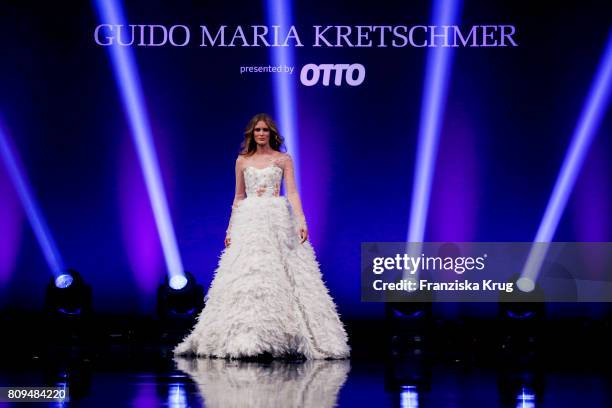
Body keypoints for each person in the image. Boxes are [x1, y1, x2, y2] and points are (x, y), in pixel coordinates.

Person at [174, 113, 350, 359]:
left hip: (277, 219)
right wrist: (230, 228)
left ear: (271, 134)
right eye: (257, 130)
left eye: (265, 130)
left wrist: (301, 220)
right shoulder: (242, 161)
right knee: (248, 275)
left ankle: (285, 335)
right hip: (249, 220)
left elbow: (293, 194)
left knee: (283, 274)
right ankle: (245, 335)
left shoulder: (283, 159)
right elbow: (238, 197)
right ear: (251, 134)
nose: (261, 134)